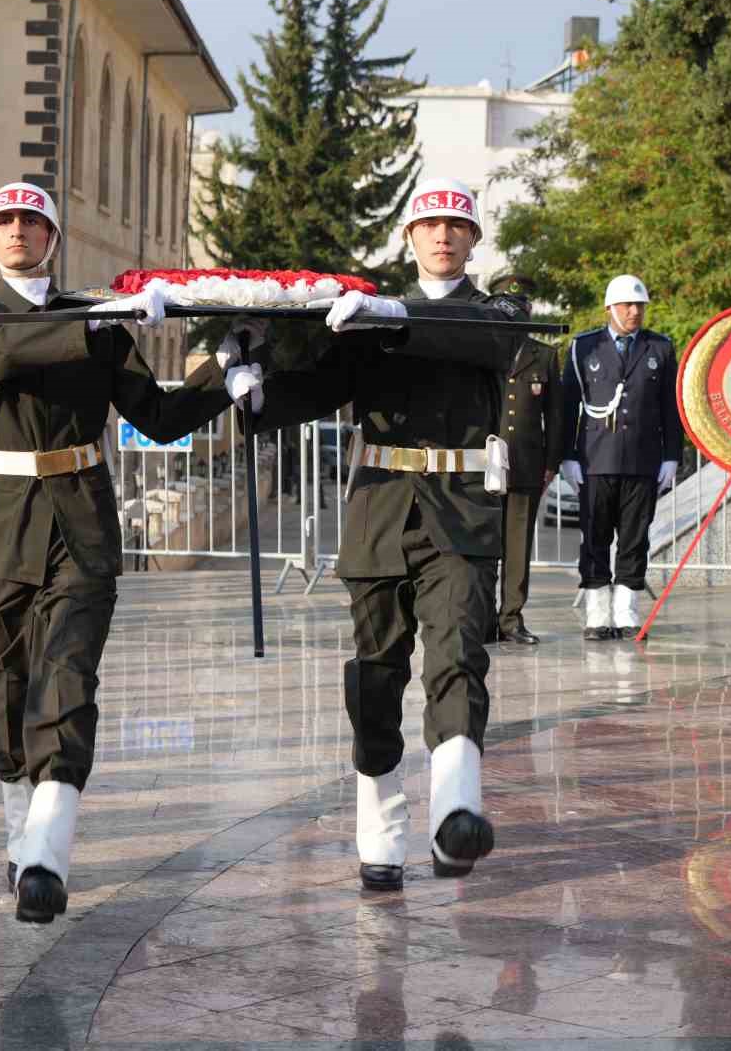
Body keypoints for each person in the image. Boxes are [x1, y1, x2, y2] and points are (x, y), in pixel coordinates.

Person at [0, 180, 231, 923]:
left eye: (30, 222)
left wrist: (228, 374)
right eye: (3, 222)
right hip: (3, 522)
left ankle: (47, 855)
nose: (17, 231)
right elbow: (7, 352)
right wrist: (108, 316)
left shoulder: (99, 321)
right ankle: (21, 831)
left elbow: (159, 417)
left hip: (82, 523)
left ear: (52, 239)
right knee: (11, 681)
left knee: (67, 675)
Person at [242, 177, 528, 892]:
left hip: (460, 513)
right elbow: (314, 388)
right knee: (375, 674)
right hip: (379, 511)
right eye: (429, 225)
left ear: (473, 240)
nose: (442, 236)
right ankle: (381, 834)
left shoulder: (495, 312)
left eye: (455, 227)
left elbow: (486, 344)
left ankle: (457, 812)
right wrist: (251, 386)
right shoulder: (366, 318)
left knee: (458, 655)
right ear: (409, 237)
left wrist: (387, 311)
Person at [560, 274, 682, 641]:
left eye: (640, 306)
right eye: (628, 305)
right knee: (594, 537)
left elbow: (670, 409)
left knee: (634, 538)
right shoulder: (584, 348)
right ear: (610, 308)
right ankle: (597, 615)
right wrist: (567, 456)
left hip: (643, 461)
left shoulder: (659, 348)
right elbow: (568, 407)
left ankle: (627, 612)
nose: (635, 312)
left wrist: (671, 456)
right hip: (596, 460)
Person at [488, 270, 563, 646]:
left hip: (526, 464)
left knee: (517, 546)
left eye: (522, 308)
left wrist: (552, 462)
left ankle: (511, 618)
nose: (515, 315)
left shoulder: (544, 355)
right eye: (508, 308)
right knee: (483, 545)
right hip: (484, 465)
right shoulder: (481, 352)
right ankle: (483, 617)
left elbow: (557, 415)